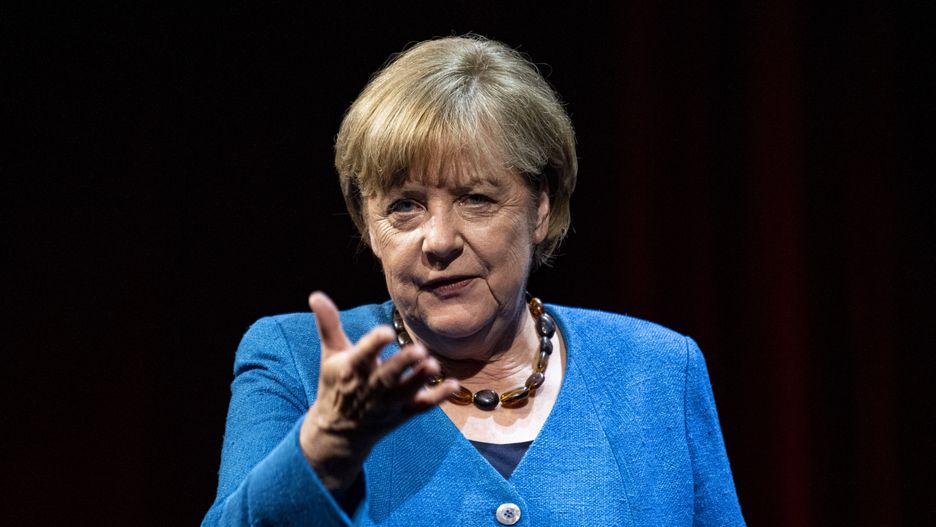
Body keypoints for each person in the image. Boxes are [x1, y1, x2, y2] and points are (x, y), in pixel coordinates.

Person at [202, 35, 744, 526]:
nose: (439, 240)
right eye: (405, 206)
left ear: (541, 211)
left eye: (476, 199)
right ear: (368, 225)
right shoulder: (294, 363)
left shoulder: (659, 372)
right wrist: (325, 446)